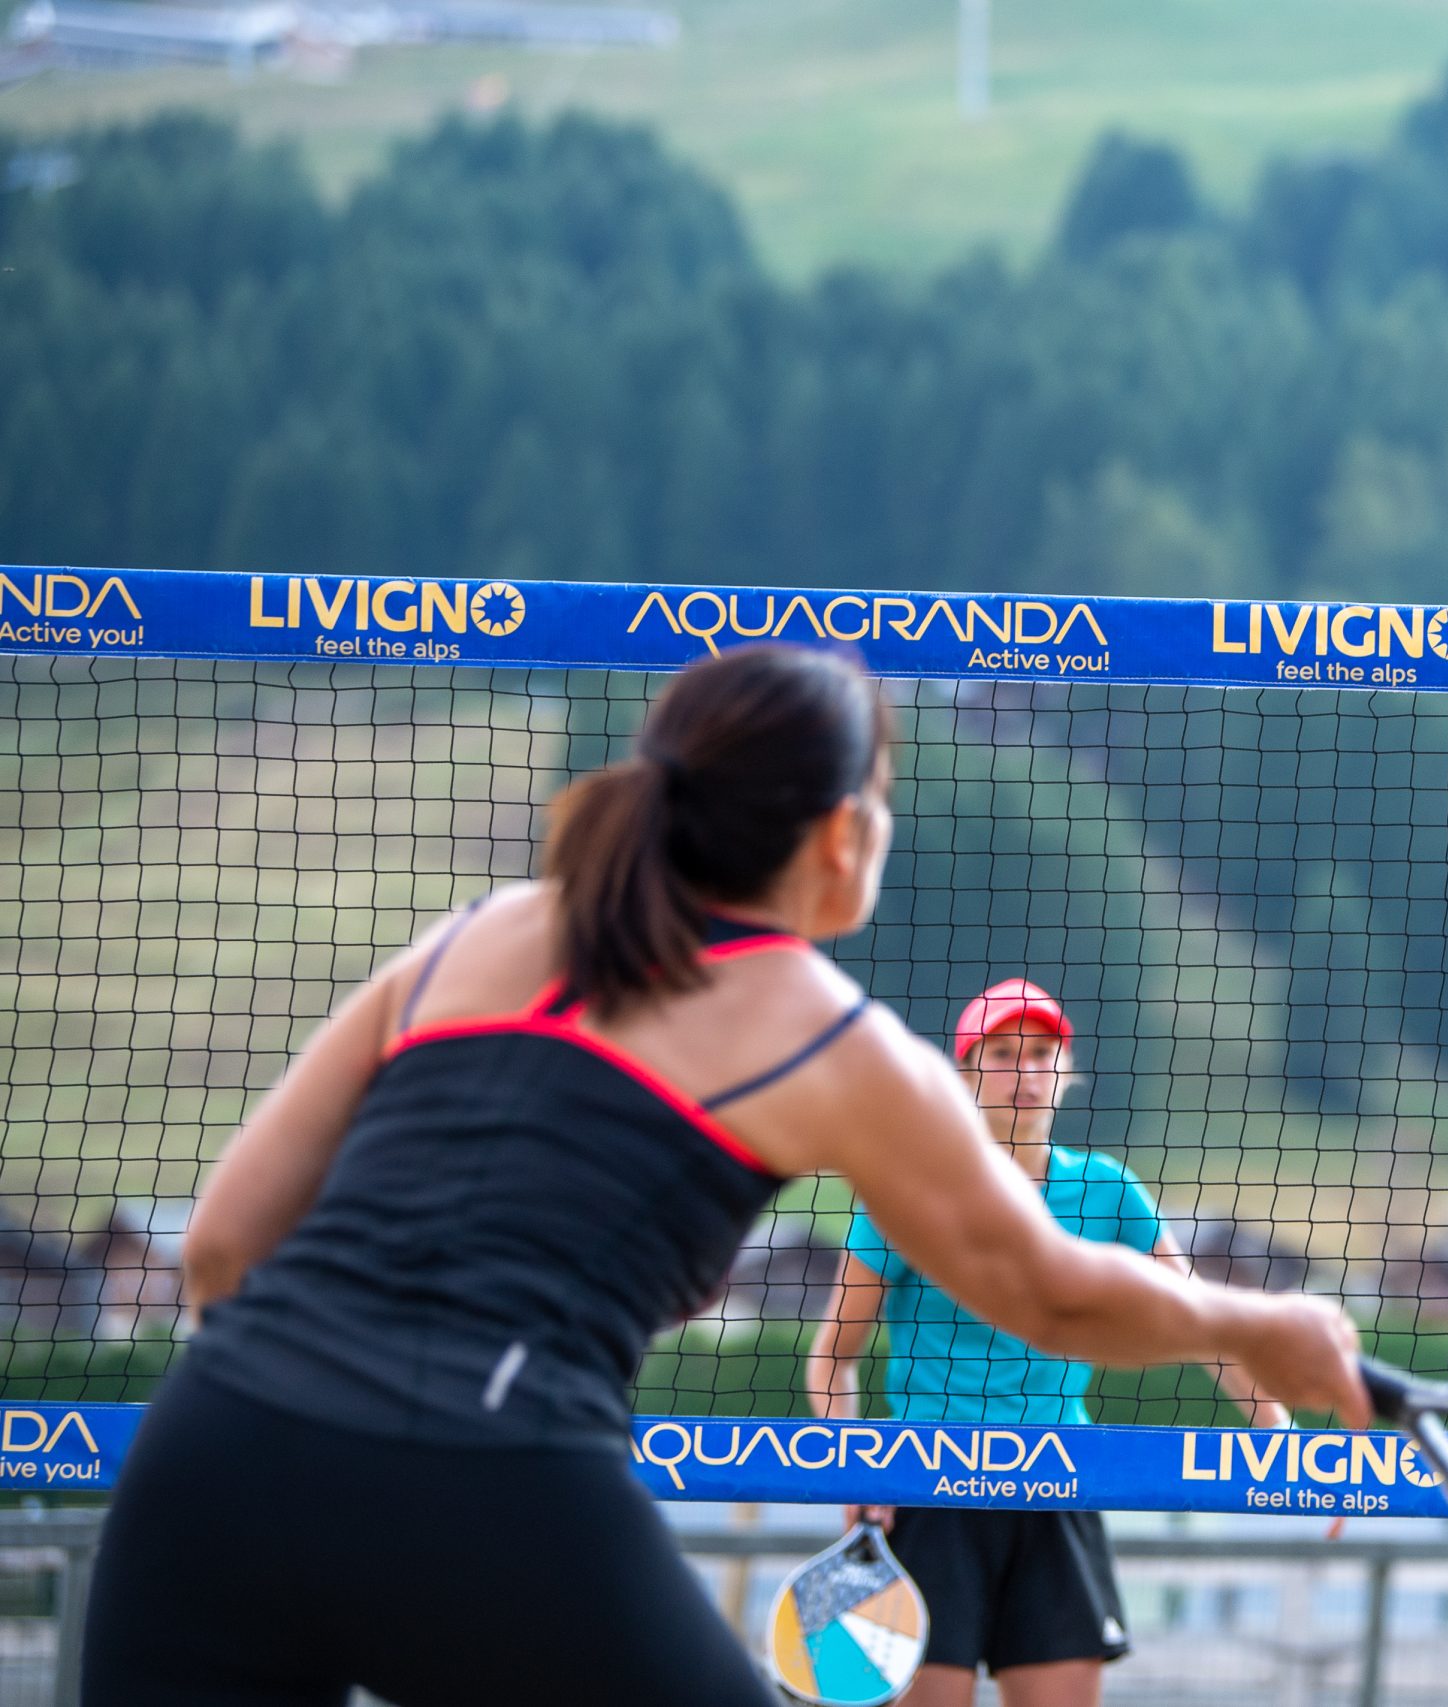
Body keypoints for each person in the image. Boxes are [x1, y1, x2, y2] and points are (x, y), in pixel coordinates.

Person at [81, 645, 1368, 1707]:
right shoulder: (826, 1032)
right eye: (885, 794)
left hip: (211, 1461)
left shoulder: (477, 935)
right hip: (487, 1455)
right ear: (836, 834)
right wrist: (1270, 1327)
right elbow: (1050, 1294)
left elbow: (223, 1247)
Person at [807, 979, 1289, 1706]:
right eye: (1001, 1053)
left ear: (1067, 1073)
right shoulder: (908, 1188)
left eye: (1041, 1054)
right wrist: (854, 1470)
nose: (1024, 1072)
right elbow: (832, 1355)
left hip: (1061, 1479)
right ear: (965, 1072)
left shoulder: (1108, 1191)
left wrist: (1278, 1428)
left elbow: (1205, 1322)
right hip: (930, 1488)